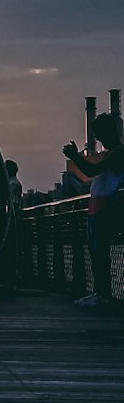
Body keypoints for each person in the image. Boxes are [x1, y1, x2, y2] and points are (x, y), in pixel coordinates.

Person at [63, 114, 124, 307]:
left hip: (104, 211)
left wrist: (74, 157)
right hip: (98, 210)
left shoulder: (118, 153)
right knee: (97, 253)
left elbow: (91, 171)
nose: (99, 139)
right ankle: (100, 292)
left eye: (100, 134)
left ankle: (102, 294)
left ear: (108, 132)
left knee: (100, 253)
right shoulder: (112, 153)